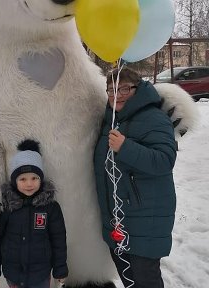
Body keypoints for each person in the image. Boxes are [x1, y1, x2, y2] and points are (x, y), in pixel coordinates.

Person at [94, 67, 177, 288]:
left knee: (145, 280)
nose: (117, 95)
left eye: (124, 89)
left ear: (137, 89)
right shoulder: (111, 119)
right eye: (111, 90)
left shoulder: (153, 118)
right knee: (130, 280)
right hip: (119, 221)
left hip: (144, 221)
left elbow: (164, 160)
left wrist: (125, 147)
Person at [0, 139, 68, 288]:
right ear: (14, 181)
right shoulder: (6, 207)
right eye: (22, 179)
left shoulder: (50, 208)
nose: (29, 184)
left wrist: (60, 269)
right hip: (13, 273)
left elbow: (58, 241)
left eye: (34, 178)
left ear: (40, 179)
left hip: (41, 274)